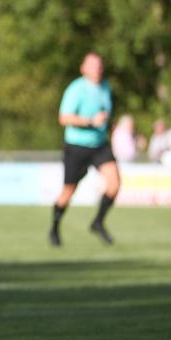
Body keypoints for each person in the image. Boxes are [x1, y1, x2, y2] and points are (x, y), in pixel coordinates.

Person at [50, 52, 118, 246]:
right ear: (83, 68)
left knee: (114, 184)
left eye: (99, 65)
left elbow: (105, 114)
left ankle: (98, 222)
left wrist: (110, 125)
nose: (97, 68)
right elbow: (64, 118)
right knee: (68, 191)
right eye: (92, 65)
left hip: (99, 145)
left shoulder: (105, 87)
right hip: (77, 146)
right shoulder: (76, 89)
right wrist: (90, 121)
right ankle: (55, 227)